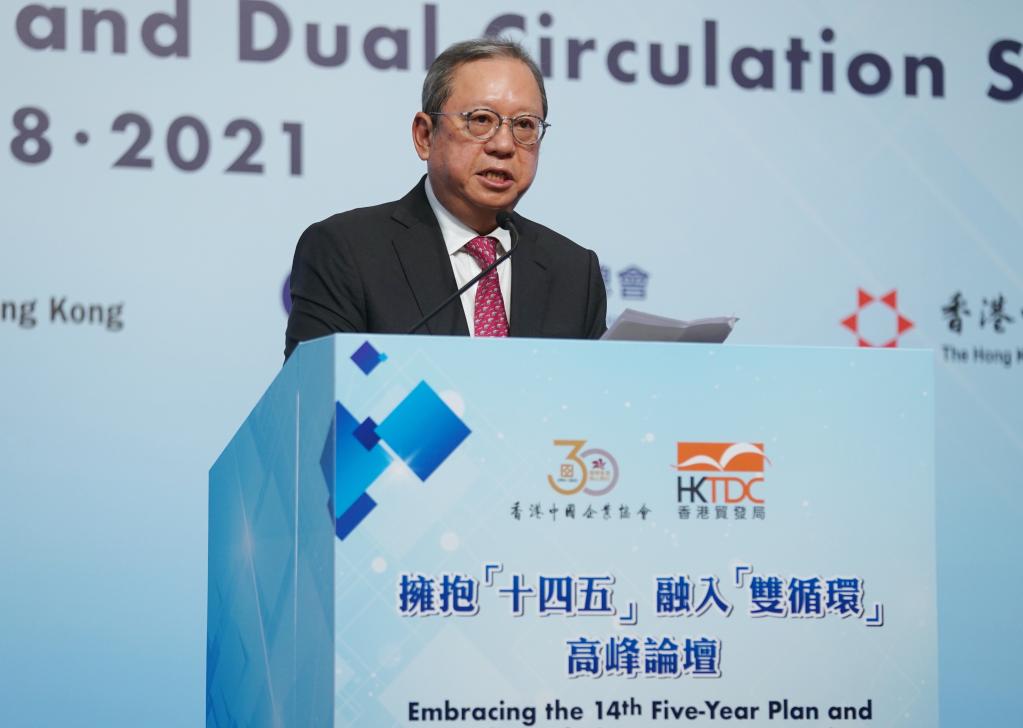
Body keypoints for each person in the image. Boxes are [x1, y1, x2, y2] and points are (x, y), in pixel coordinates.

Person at [284, 38, 607, 359]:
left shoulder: (574, 273)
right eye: (481, 120)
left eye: (524, 125)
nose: (504, 145)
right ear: (425, 136)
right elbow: (318, 386)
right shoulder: (347, 251)